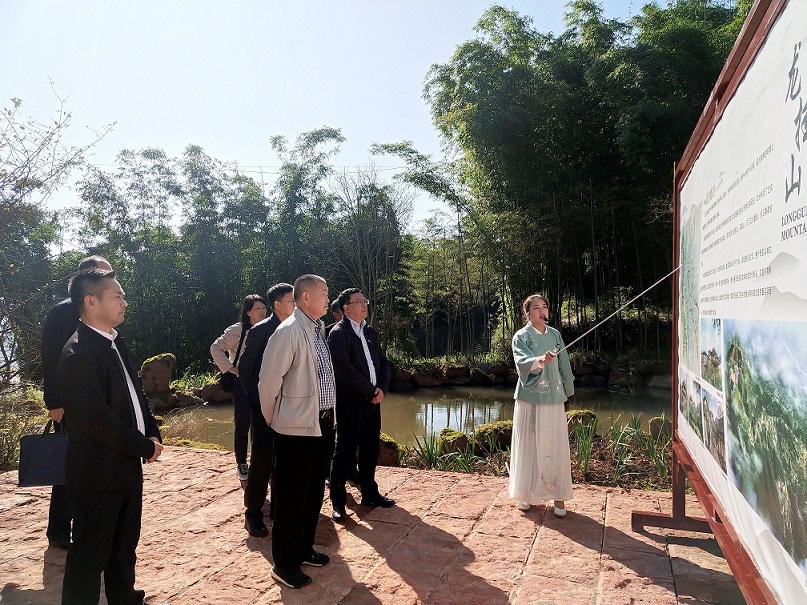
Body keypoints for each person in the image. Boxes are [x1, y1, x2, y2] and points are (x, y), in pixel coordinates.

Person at [57, 268, 163, 605]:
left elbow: (136, 393)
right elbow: (98, 421)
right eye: (117, 296)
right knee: (89, 557)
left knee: (123, 548)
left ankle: (125, 599)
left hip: (125, 466)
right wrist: (143, 445)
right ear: (91, 302)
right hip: (96, 474)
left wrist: (152, 430)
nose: (124, 302)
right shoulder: (77, 355)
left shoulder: (115, 341)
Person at [258, 274, 335, 589]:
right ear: (306, 297)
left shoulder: (318, 330)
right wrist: (275, 419)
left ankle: (304, 549)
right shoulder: (288, 331)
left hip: (321, 425)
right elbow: (267, 383)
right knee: (291, 499)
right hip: (295, 431)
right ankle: (284, 565)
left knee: (313, 493)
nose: (328, 299)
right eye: (324, 293)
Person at [40, 254, 112, 550]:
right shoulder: (62, 312)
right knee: (69, 465)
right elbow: (49, 358)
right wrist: (54, 401)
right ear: (87, 277)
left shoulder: (103, 310)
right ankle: (58, 530)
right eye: (105, 274)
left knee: (93, 463)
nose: (111, 280)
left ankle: (88, 523)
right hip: (69, 403)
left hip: (96, 400)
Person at [328, 288, 393, 521]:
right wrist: (369, 391)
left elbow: (383, 364)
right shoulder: (338, 334)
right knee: (344, 452)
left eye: (364, 301)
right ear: (346, 308)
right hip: (351, 403)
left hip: (373, 402)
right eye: (358, 302)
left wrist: (381, 389)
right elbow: (345, 370)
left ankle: (369, 493)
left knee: (370, 449)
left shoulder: (370, 332)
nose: (365, 304)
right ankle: (338, 501)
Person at [237, 282, 294, 537]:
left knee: (284, 459)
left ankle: (279, 508)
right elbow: (245, 370)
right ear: (278, 304)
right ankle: (253, 513)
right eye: (291, 301)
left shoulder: (295, 329)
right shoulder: (260, 331)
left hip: (291, 407)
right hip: (264, 409)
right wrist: (259, 403)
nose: (296, 305)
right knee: (261, 460)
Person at [509, 294, 575, 518]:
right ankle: (525, 493)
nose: (541, 310)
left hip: (554, 396)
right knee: (529, 441)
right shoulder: (521, 336)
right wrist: (539, 360)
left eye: (544, 306)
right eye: (535, 307)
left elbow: (564, 363)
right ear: (527, 313)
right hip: (529, 397)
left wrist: (568, 387)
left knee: (555, 442)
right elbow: (522, 362)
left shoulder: (555, 334)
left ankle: (558, 495)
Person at [210, 294, 268, 481]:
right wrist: (231, 369)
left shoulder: (269, 329)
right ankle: (242, 463)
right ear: (248, 312)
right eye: (257, 308)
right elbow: (216, 348)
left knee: (261, 423)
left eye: (264, 308)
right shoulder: (238, 330)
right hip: (241, 382)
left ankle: (260, 462)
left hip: (262, 382)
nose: (262, 311)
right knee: (242, 423)